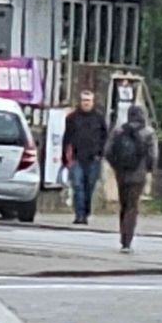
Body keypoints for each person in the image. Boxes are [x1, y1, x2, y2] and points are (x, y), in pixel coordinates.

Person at [104, 105, 158, 253]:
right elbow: (153, 155)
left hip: (121, 173)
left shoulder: (119, 131)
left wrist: (116, 165)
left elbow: (108, 151)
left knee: (123, 204)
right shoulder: (148, 133)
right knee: (132, 207)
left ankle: (123, 235)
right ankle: (127, 241)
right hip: (138, 174)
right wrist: (149, 169)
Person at [62, 90, 108, 225]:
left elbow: (105, 137)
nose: (86, 103)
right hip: (77, 158)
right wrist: (65, 157)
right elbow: (67, 138)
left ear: (93, 102)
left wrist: (101, 153)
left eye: (88, 101)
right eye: (84, 100)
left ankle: (86, 211)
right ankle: (79, 214)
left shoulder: (99, 118)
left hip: (94, 158)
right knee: (77, 186)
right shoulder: (72, 118)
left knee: (89, 187)